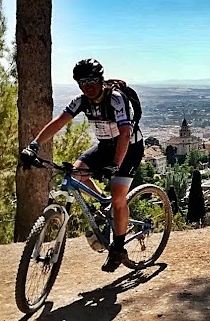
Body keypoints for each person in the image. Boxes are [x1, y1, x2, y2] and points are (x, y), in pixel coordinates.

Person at [20, 58, 144, 272]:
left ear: (100, 80)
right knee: (75, 175)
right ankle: (103, 204)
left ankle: (118, 248)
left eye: (92, 80)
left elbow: (125, 134)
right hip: (105, 146)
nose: (87, 86)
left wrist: (115, 164)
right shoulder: (81, 101)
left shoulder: (115, 99)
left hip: (129, 148)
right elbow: (59, 122)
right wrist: (34, 145)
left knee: (118, 197)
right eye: (82, 82)